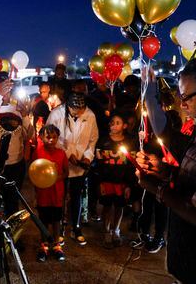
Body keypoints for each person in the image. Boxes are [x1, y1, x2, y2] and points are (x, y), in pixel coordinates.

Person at [137, 39, 196, 283]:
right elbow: (195, 176)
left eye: (187, 97)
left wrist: (158, 189)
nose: (182, 104)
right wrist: (165, 172)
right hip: (188, 261)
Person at [0, 71, 34, 218]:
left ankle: (12, 236)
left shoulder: (18, 109)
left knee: (12, 203)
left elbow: (29, 135)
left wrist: (25, 116)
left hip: (16, 164)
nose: (5, 92)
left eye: (8, 88)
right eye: (1, 88)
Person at [46, 91, 98, 245]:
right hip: (61, 162)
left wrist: (88, 156)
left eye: (81, 110)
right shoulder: (56, 115)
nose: (79, 112)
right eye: (75, 110)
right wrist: (68, 154)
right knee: (60, 197)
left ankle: (76, 228)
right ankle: (60, 228)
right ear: (68, 106)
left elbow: (93, 139)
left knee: (77, 196)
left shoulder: (90, 115)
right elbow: (50, 137)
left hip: (80, 164)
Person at [95, 112, 137, 248]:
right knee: (107, 206)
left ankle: (116, 231)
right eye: (112, 122)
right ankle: (107, 232)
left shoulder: (130, 142)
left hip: (122, 182)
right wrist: (100, 182)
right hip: (107, 181)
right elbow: (99, 164)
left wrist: (129, 185)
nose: (113, 125)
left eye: (117, 123)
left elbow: (132, 166)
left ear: (124, 126)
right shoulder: (103, 141)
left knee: (119, 206)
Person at [32, 124, 69, 262]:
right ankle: (44, 246)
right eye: (48, 137)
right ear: (42, 137)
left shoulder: (61, 153)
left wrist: (55, 178)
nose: (51, 140)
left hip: (57, 193)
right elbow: (33, 172)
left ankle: (57, 245)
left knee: (56, 220)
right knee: (43, 220)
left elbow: (66, 172)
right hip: (43, 194)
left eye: (54, 137)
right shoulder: (38, 152)